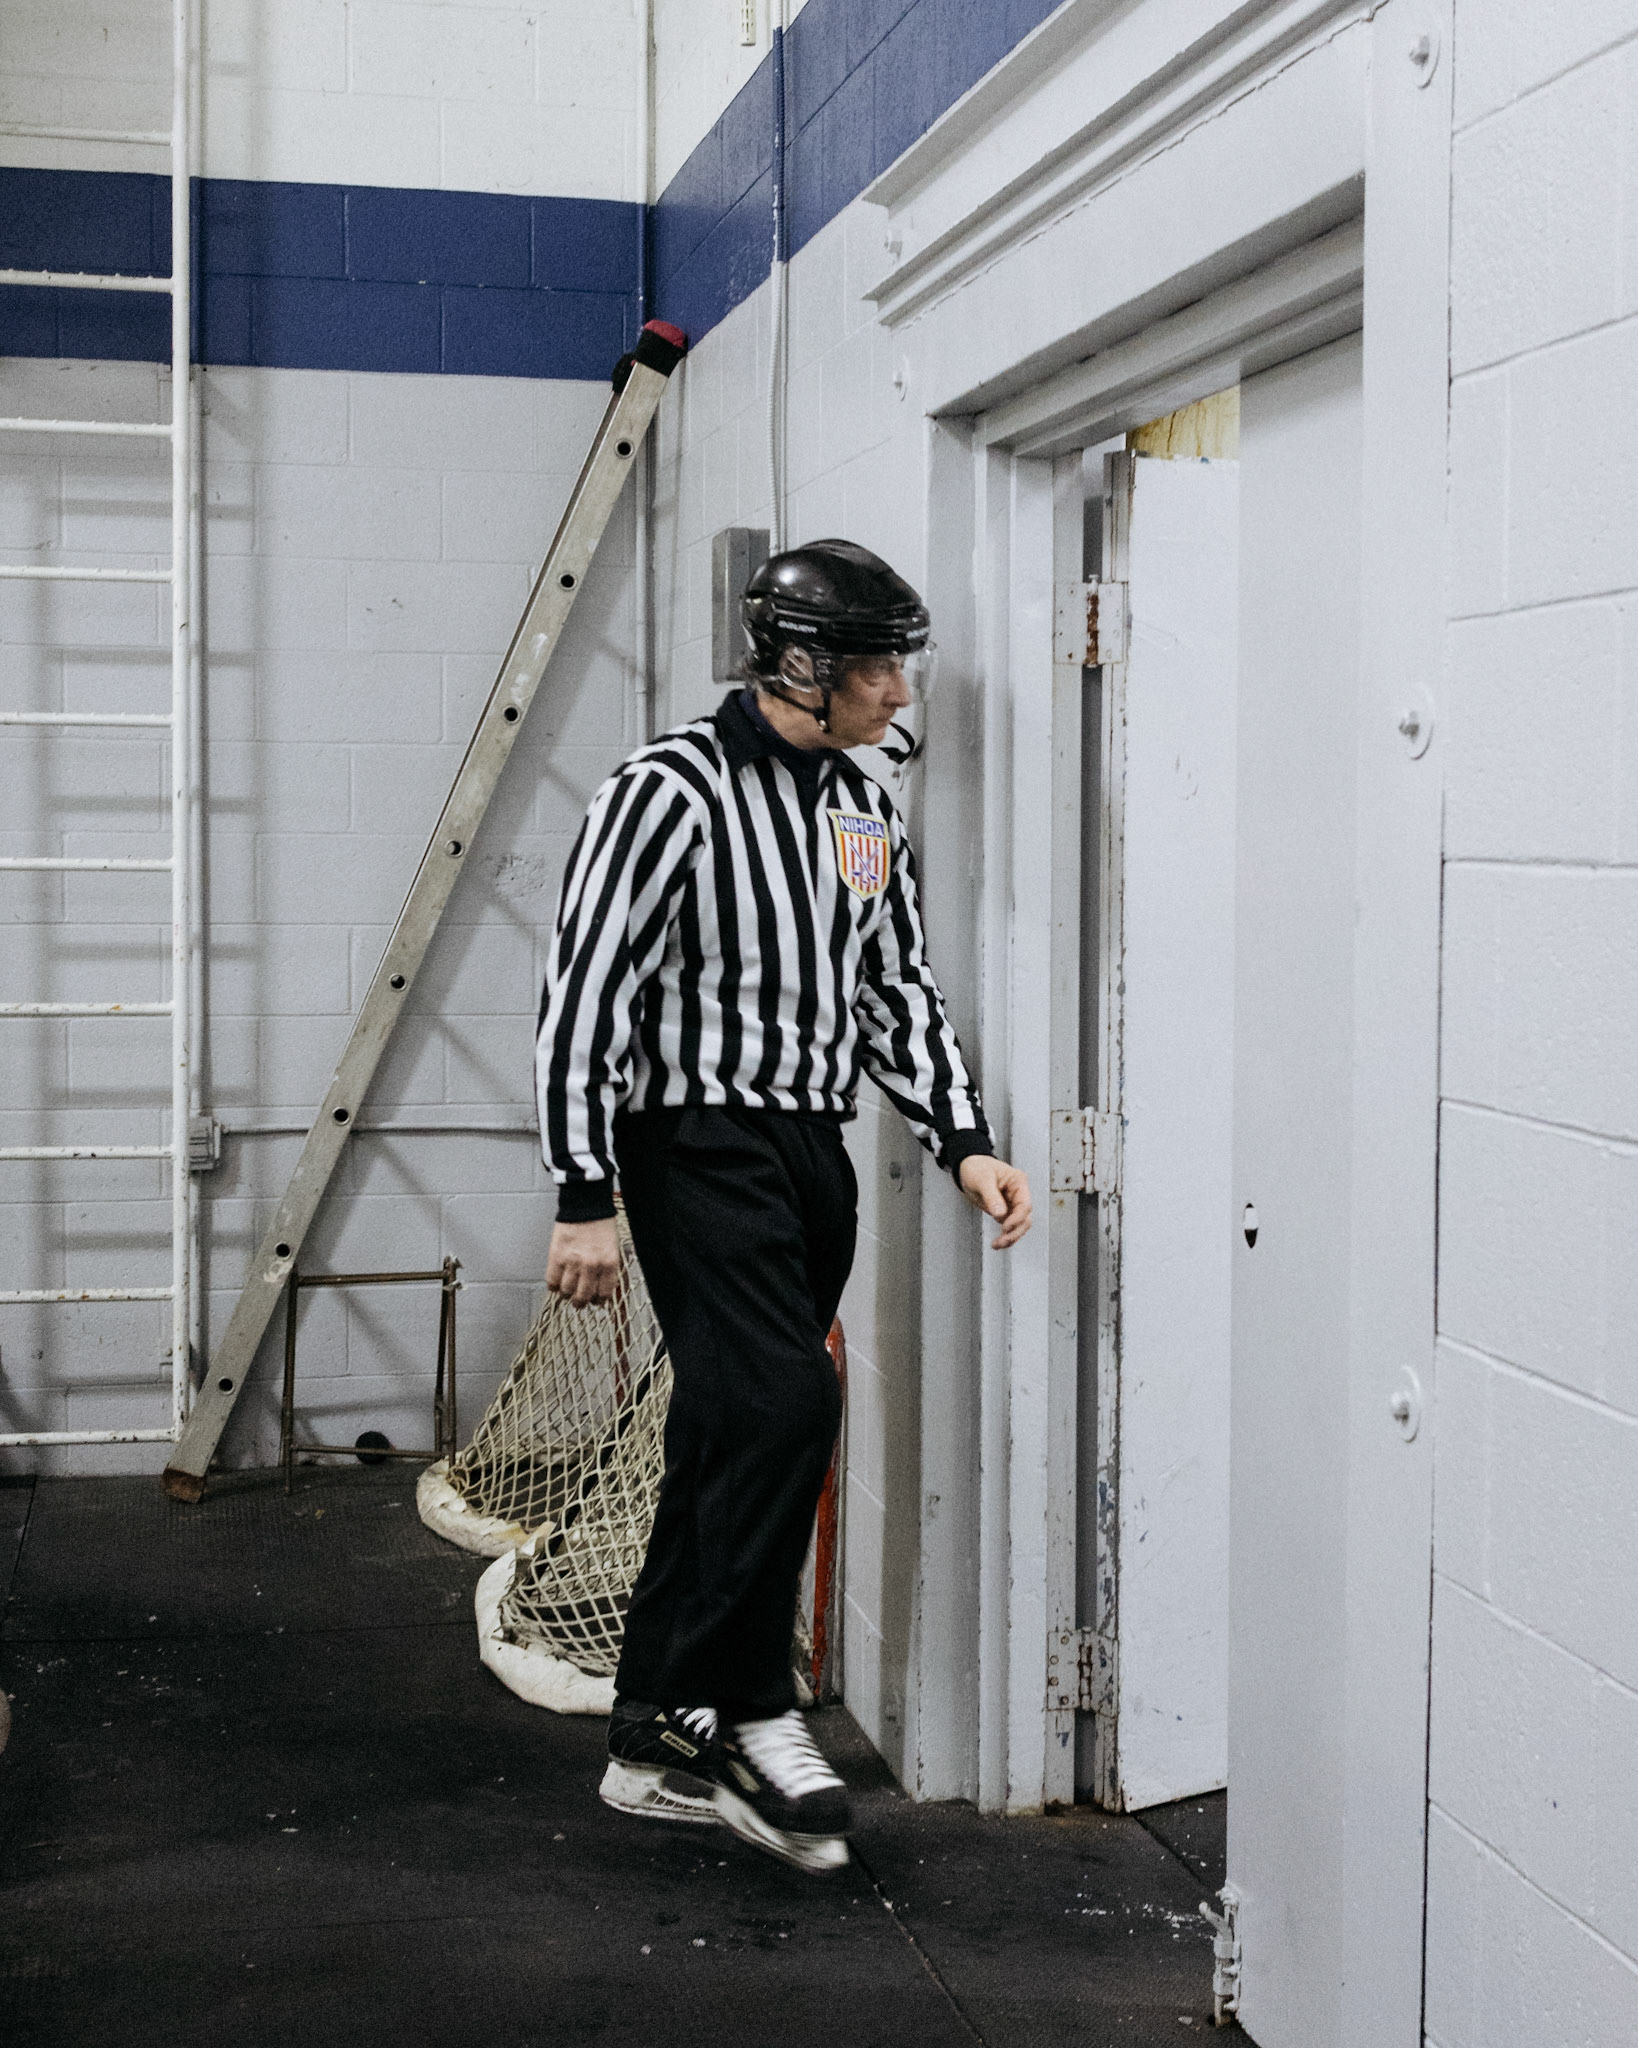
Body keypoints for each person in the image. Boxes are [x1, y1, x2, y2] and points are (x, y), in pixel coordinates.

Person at [535, 538, 1031, 1874]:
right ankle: (747, 1710)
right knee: (785, 1402)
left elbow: (893, 989)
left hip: (810, 1148)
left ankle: (654, 1725)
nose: (899, 694)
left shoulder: (865, 810)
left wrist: (962, 1139)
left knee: (724, 1422)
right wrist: (583, 1189)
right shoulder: (665, 791)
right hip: (693, 1142)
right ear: (802, 666)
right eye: (877, 669)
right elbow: (587, 989)